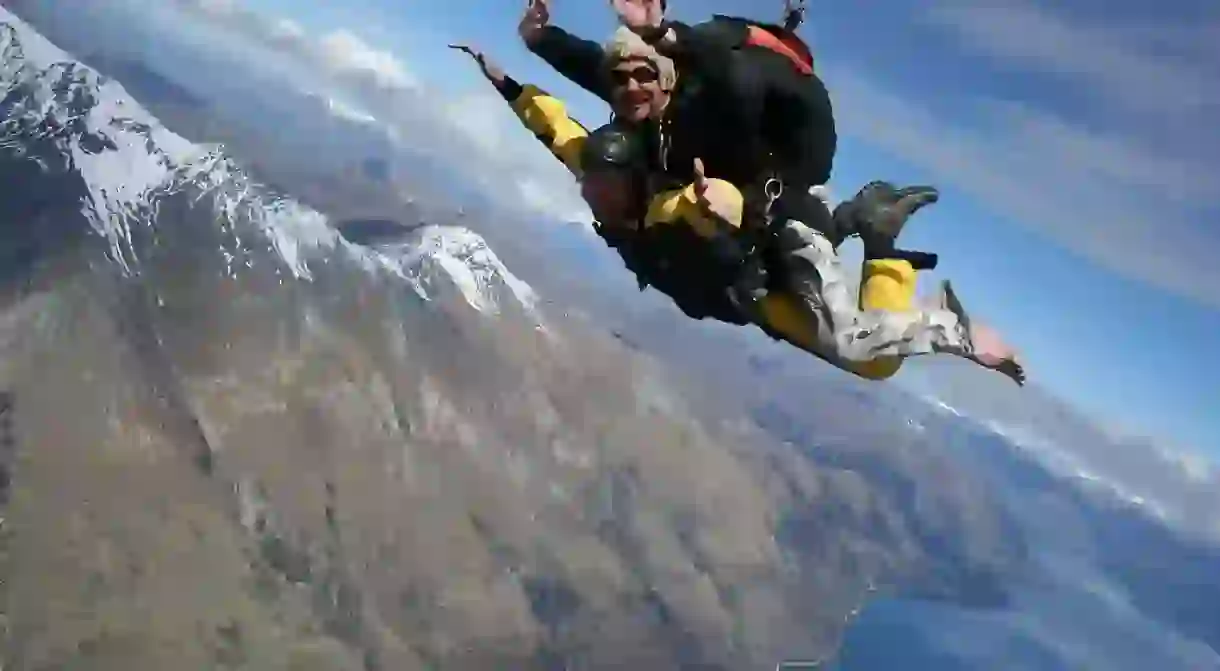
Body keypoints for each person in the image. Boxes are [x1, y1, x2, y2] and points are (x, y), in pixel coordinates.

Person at [450, 44, 1025, 385]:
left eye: (601, 188)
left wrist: (723, 206)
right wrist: (501, 79)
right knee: (876, 363)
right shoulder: (602, 175)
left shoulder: (675, 205)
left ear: (631, 181)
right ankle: (867, 232)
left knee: (864, 354)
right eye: (589, 185)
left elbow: (722, 213)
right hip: (747, 289)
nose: (589, 195)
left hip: (771, 250)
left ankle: (952, 324)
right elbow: (554, 127)